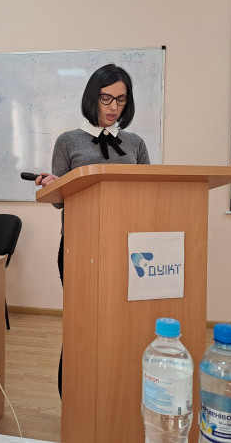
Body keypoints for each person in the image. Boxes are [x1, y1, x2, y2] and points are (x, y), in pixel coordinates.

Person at [35, 63, 151, 396]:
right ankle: (74, 397)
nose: (114, 107)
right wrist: (57, 186)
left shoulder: (135, 143)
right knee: (82, 323)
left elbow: (147, 194)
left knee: (122, 323)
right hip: (79, 247)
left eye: (121, 100)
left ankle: (116, 395)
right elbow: (59, 203)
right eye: (106, 98)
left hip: (127, 249)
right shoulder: (67, 141)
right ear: (92, 98)